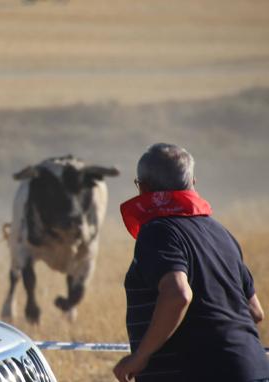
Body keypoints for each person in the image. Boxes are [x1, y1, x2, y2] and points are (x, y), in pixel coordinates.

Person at [113, 143, 269, 382]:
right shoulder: (221, 233)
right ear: (192, 184)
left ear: (142, 187)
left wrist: (140, 356)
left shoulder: (158, 231)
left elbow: (178, 294)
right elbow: (255, 312)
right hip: (254, 368)